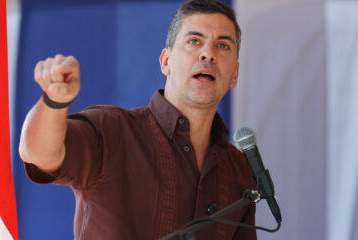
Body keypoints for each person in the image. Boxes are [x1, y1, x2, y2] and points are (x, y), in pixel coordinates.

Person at [19, 0, 257, 239]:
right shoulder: (112, 130)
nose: (208, 54)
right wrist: (54, 103)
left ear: (234, 74)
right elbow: (38, 154)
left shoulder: (239, 170)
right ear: (166, 62)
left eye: (223, 45)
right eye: (194, 41)